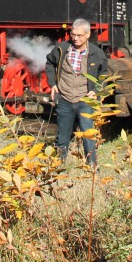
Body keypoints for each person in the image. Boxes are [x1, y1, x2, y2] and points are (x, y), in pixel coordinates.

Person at [45, 19, 109, 166]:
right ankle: (58, 166)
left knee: (88, 134)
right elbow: (49, 63)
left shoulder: (97, 54)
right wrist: (53, 84)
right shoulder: (61, 49)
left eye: (79, 35)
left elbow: (104, 74)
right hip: (65, 98)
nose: (75, 38)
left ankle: (92, 167)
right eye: (73, 34)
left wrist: (95, 90)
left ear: (88, 34)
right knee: (62, 136)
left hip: (85, 100)